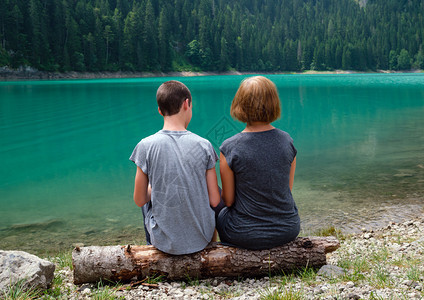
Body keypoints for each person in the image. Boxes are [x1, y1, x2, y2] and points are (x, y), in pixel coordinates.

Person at [129, 80, 221, 255]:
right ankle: (211, 245)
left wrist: (155, 189)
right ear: (187, 104)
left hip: (164, 243)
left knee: (146, 196)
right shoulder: (204, 145)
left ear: (159, 110)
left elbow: (139, 199)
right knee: (211, 189)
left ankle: (151, 246)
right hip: (202, 239)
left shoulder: (145, 146)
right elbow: (215, 201)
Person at [215, 76, 300, 250]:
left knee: (214, 197)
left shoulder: (230, 147)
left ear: (240, 104)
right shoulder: (287, 141)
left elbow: (229, 201)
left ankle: (211, 248)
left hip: (243, 233)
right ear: (273, 104)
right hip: (288, 229)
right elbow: (286, 189)